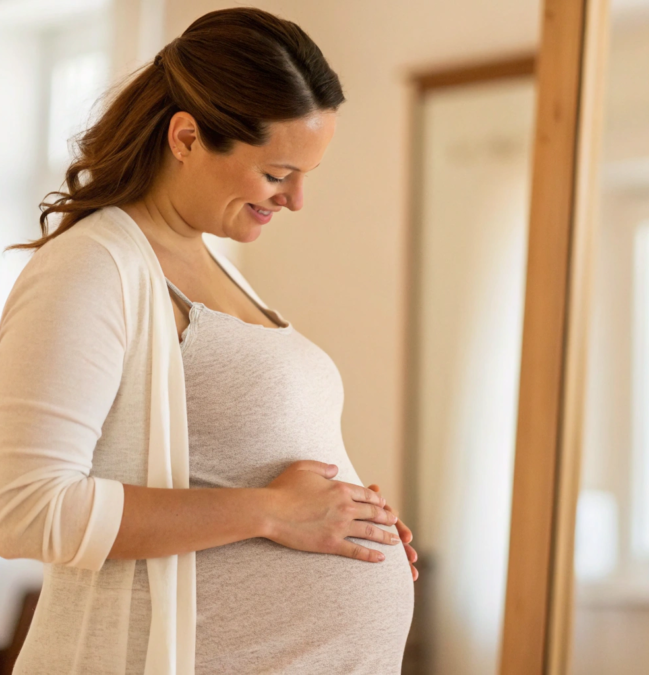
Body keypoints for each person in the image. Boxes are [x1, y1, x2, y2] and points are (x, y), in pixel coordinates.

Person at [0, 8, 417, 674]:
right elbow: (23, 507)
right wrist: (273, 513)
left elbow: (233, 460)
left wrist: (345, 518)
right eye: (278, 173)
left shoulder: (212, 265)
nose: (297, 200)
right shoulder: (92, 267)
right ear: (188, 138)